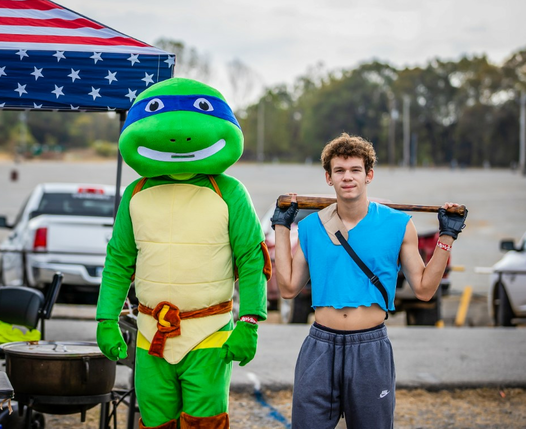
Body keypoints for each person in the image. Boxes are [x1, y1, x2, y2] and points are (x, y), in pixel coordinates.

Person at [95, 78, 270, 429]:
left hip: (209, 332)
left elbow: (252, 260)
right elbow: (118, 261)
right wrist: (105, 319)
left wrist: (250, 321)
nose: (178, 138)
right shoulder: (135, 193)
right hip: (149, 333)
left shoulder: (230, 192)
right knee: (155, 421)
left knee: (205, 422)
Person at [270, 133, 467, 429]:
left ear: (368, 175)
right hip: (320, 346)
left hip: (370, 348)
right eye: (339, 171)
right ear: (329, 177)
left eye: (355, 170)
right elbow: (287, 288)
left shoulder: (398, 224)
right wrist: (282, 227)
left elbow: (425, 290)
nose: (347, 177)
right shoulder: (311, 227)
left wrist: (447, 236)